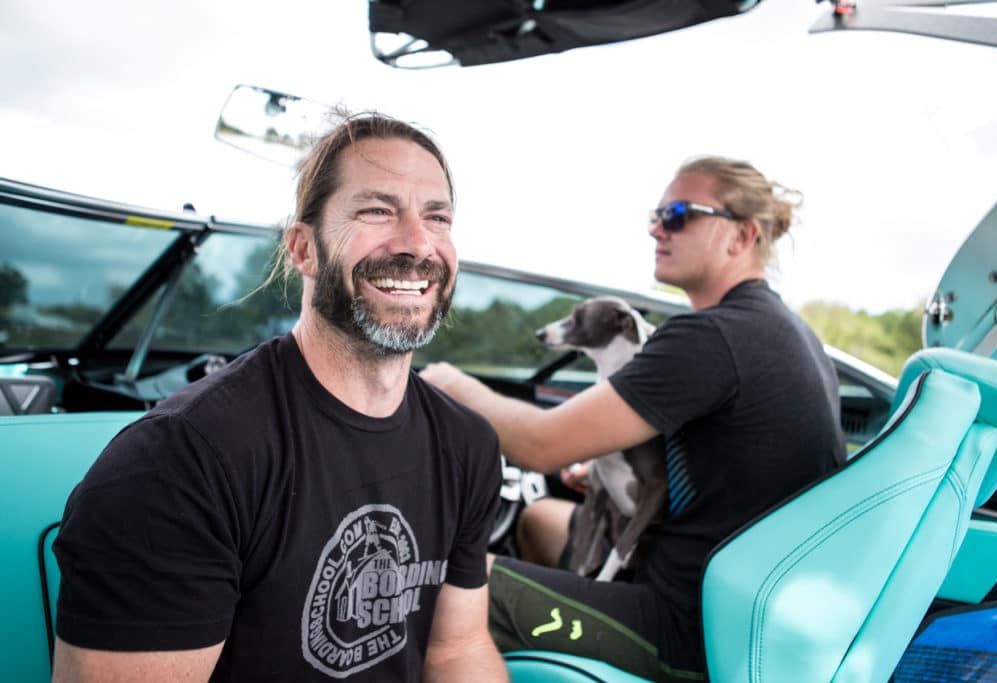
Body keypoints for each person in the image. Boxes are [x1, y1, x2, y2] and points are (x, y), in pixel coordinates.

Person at [52, 110, 508, 682]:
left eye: (437, 217)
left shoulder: (467, 445)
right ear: (303, 250)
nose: (418, 243)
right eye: (377, 210)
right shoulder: (180, 462)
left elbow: (457, 649)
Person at [420, 156, 845, 681]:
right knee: (537, 518)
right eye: (657, 214)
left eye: (679, 215)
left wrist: (446, 383)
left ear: (742, 236)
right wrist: (608, 474)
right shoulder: (788, 333)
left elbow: (540, 444)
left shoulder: (713, 337)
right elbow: (724, 471)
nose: (656, 229)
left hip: (690, 630)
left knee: (438, 585)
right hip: (750, 619)